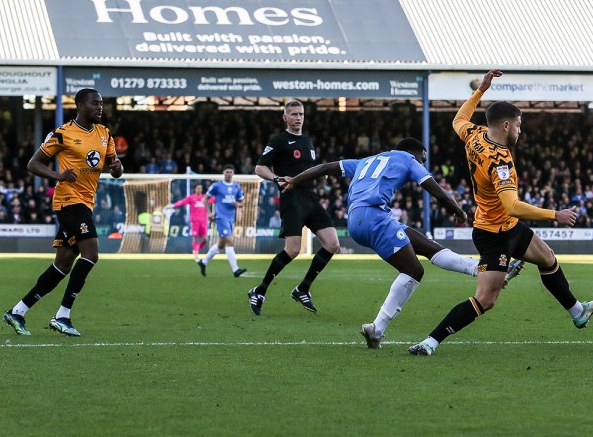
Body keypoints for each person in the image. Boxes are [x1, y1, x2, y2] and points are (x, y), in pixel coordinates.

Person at [408, 69, 593, 356]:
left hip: (510, 227)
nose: (519, 131)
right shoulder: (501, 162)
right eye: (518, 125)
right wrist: (556, 215)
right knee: (485, 300)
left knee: (548, 259)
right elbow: (512, 205)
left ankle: (578, 312)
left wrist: (480, 90)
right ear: (505, 125)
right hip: (493, 235)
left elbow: (458, 119)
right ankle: (430, 342)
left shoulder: (475, 135)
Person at [282, 137, 518, 348]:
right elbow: (435, 190)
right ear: (414, 153)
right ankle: (377, 328)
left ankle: (481, 270)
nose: (422, 164)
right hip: (375, 216)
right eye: (422, 160)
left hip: (356, 219)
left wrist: (294, 181)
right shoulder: (407, 159)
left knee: (426, 245)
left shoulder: (367, 160)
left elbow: (325, 167)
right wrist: (458, 211)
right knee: (414, 270)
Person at [3, 88, 123, 337]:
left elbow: (114, 169)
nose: (100, 107)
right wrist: (58, 175)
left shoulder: (105, 134)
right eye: (95, 103)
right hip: (68, 201)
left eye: (101, 103)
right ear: (80, 105)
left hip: (86, 202)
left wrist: (117, 167)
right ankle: (63, 315)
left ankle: (18, 311)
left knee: (63, 265)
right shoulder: (63, 133)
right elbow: (33, 163)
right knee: (91, 254)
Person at [249, 100, 341, 314]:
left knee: (332, 243)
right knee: (293, 250)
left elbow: (308, 168)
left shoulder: (308, 140)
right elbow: (259, 167)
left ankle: (303, 288)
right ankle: (259, 291)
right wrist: (276, 178)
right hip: (292, 198)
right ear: (285, 117)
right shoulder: (278, 141)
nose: (298, 118)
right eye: (294, 114)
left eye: (301, 114)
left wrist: (321, 173)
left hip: (311, 197)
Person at [200, 165, 247, 277]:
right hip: (221, 217)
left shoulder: (237, 186)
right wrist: (209, 213)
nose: (229, 173)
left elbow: (242, 202)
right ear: (223, 173)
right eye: (227, 171)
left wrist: (238, 204)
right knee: (230, 240)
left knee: (221, 244)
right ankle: (235, 270)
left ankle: (204, 262)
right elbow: (205, 199)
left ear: (233, 173)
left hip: (231, 217)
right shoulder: (217, 186)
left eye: (231, 172)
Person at [165, 183, 210, 266]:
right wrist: (173, 205)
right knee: (195, 238)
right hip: (195, 222)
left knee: (205, 239)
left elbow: (214, 199)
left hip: (204, 222)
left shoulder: (205, 197)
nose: (199, 189)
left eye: (200, 188)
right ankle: (196, 254)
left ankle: (196, 249)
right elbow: (182, 202)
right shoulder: (191, 198)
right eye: (198, 188)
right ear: (195, 189)